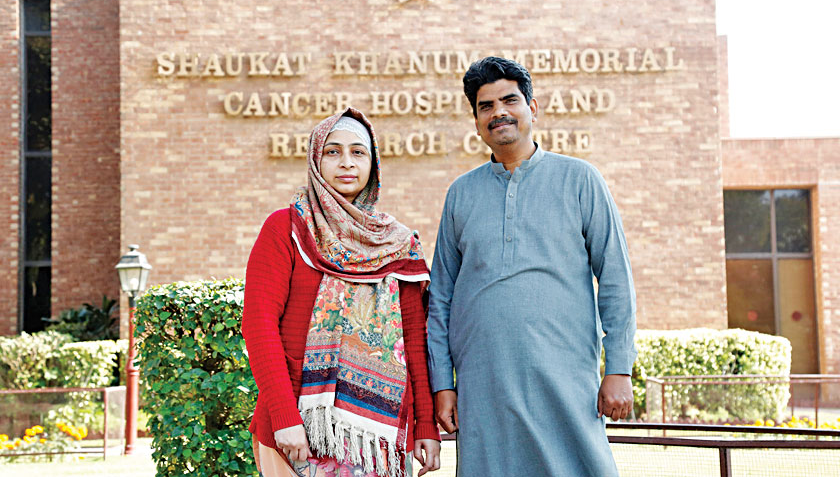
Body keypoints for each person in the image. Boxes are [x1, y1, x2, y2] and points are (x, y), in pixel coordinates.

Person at [426, 56, 637, 476]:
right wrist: (442, 384)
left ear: (532, 109)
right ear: (476, 121)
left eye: (510, 100)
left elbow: (615, 278)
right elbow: (441, 298)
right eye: (486, 106)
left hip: (564, 376)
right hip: (483, 383)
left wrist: (619, 369)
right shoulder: (460, 195)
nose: (499, 112)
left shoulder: (580, 180)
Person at [242, 107, 441, 477]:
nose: (346, 163)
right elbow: (259, 325)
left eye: (358, 152)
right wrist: (285, 416)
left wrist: (425, 426)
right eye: (333, 152)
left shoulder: (398, 244)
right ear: (316, 160)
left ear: (373, 163)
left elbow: (414, 342)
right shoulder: (286, 228)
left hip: (377, 440)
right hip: (297, 432)